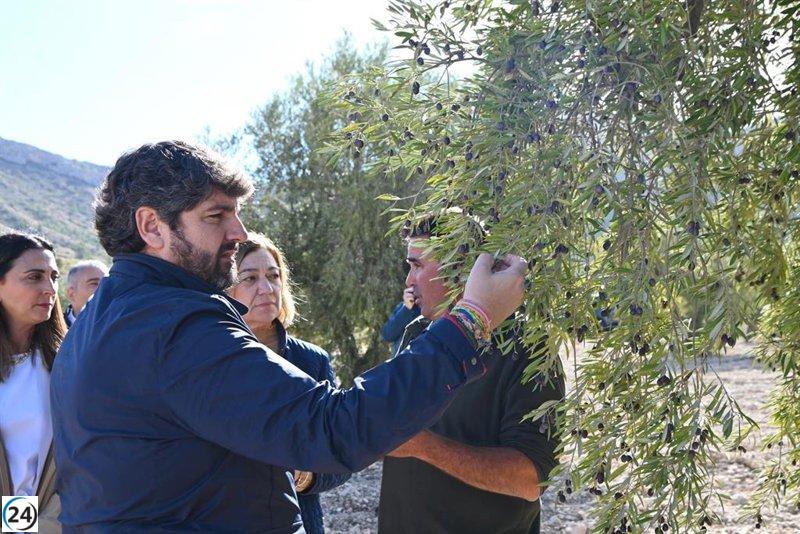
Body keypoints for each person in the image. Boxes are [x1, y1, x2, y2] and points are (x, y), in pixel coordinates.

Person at [49, 140, 527, 532]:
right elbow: (334, 428)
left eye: (236, 213)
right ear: (152, 226)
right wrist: (471, 320)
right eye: (217, 216)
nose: (239, 232)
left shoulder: (94, 326)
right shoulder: (175, 329)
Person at [378, 213, 565, 534]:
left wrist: (423, 446)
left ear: (460, 269)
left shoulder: (530, 349)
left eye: (417, 266)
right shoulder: (416, 333)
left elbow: (530, 479)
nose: (409, 282)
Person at [228, 232, 350, 534]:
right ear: (226, 289)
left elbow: (341, 453)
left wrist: (308, 476)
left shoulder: (312, 362)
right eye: (250, 278)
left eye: (273, 276)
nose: (267, 288)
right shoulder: (209, 360)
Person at [0, 232, 67, 533]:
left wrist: (29, 527)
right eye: (34, 277)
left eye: (54, 277)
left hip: (46, 520)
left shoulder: (66, 364)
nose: (50, 289)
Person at [63, 260, 108, 327]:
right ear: (71, 294)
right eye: (94, 283)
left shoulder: (121, 328)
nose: (104, 289)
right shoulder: (51, 331)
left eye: (107, 283)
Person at [380, 288, 421, 357]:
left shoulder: (436, 307)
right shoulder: (403, 307)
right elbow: (388, 335)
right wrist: (406, 309)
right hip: (402, 362)